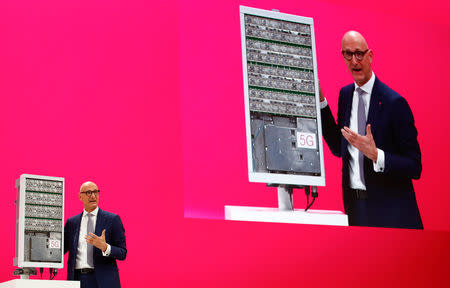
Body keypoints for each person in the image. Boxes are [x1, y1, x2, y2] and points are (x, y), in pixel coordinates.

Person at [320, 31, 423, 229]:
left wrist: (377, 155)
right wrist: (321, 102)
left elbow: (414, 166)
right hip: (355, 208)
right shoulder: (345, 95)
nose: (354, 61)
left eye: (359, 53)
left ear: (370, 55)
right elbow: (337, 147)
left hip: (391, 213)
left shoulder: (394, 103)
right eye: (348, 54)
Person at [64, 181, 127, 288]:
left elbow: (122, 253)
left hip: (103, 280)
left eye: (96, 192)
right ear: (80, 196)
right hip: (77, 279)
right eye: (88, 192)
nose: (93, 196)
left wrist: (105, 247)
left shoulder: (112, 219)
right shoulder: (72, 223)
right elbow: (61, 250)